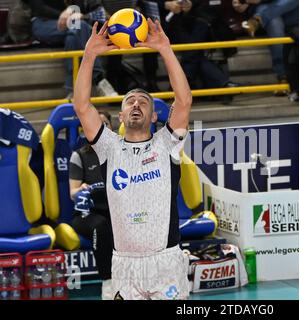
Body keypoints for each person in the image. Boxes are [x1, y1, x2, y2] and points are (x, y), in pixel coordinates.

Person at [72, 18, 192, 300]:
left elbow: (184, 101)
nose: (136, 103)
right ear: (121, 116)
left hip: (166, 260)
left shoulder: (167, 143)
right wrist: (89, 55)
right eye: (130, 101)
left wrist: (165, 49)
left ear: (154, 116)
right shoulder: (108, 147)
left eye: (143, 101)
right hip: (124, 263)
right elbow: (81, 105)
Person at [28, 0, 118, 98]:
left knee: (74, 34)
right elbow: (38, 7)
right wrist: (65, 16)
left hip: (72, 23)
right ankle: (100, 80)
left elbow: (79, 4)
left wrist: (71, 10)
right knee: (82, 27)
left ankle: (73, 91)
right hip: (43, 22)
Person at [69, 110, 113, 300]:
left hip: (115, 211)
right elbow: (72, 193)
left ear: (111, 128)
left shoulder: (121, 153)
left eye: (104, 124)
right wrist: (83, 189)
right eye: (95, 124)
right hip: (86, 215)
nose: (100, 128)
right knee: (100, 227)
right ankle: (108, 280)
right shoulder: (79, 156)